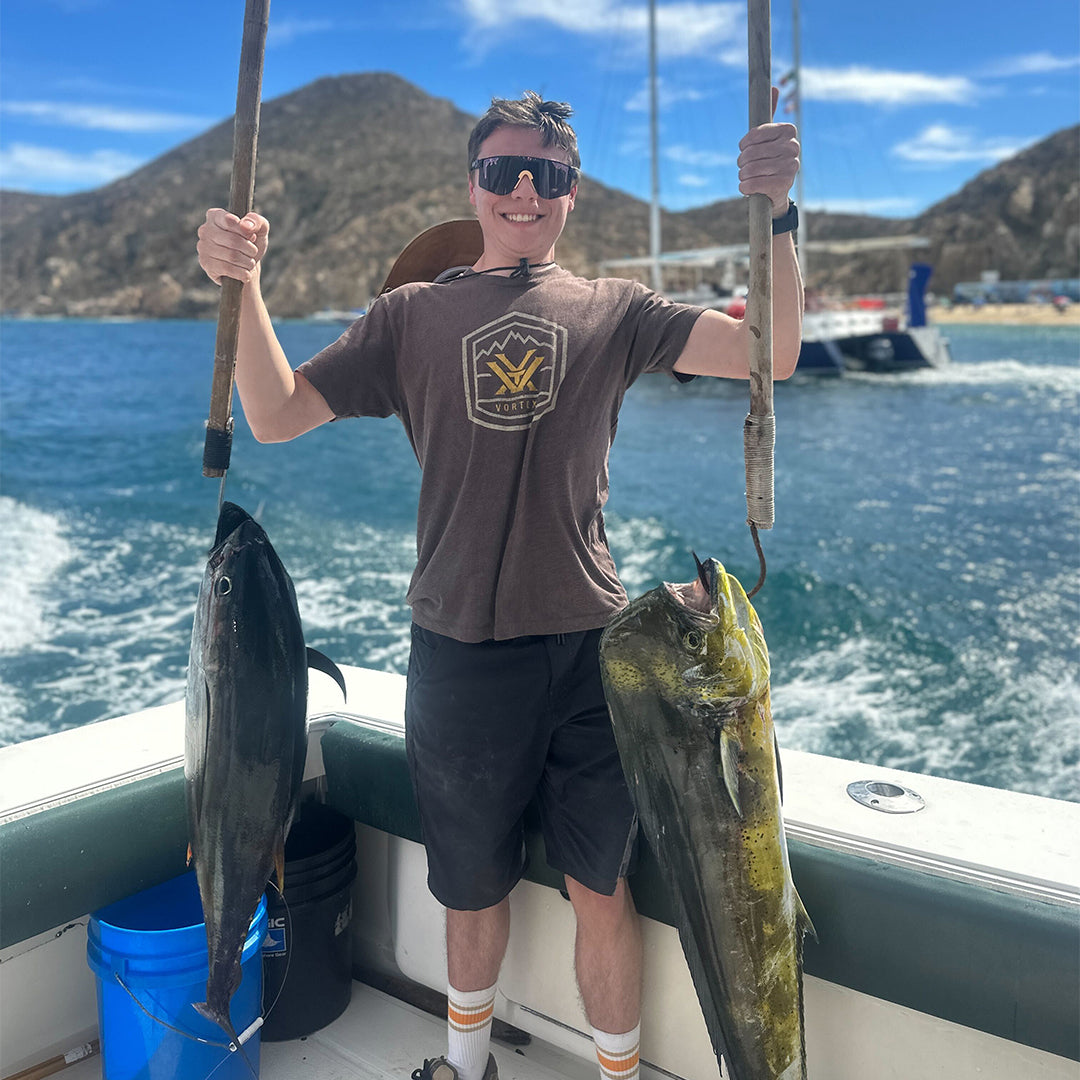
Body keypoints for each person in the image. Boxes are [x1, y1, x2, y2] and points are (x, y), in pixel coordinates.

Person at [196, 89, 801, 1080]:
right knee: (470, 889)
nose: (524, 189)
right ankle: (464, 1066)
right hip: (457, 651)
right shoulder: (407, 319)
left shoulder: (618, 311)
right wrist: (245, 281)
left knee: (601, 885)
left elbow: (771, 354)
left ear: (572, 196)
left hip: (593, 655)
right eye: (503, 171)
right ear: (471, 186)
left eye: (548, 175)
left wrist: (777, 216)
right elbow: (276, 412)